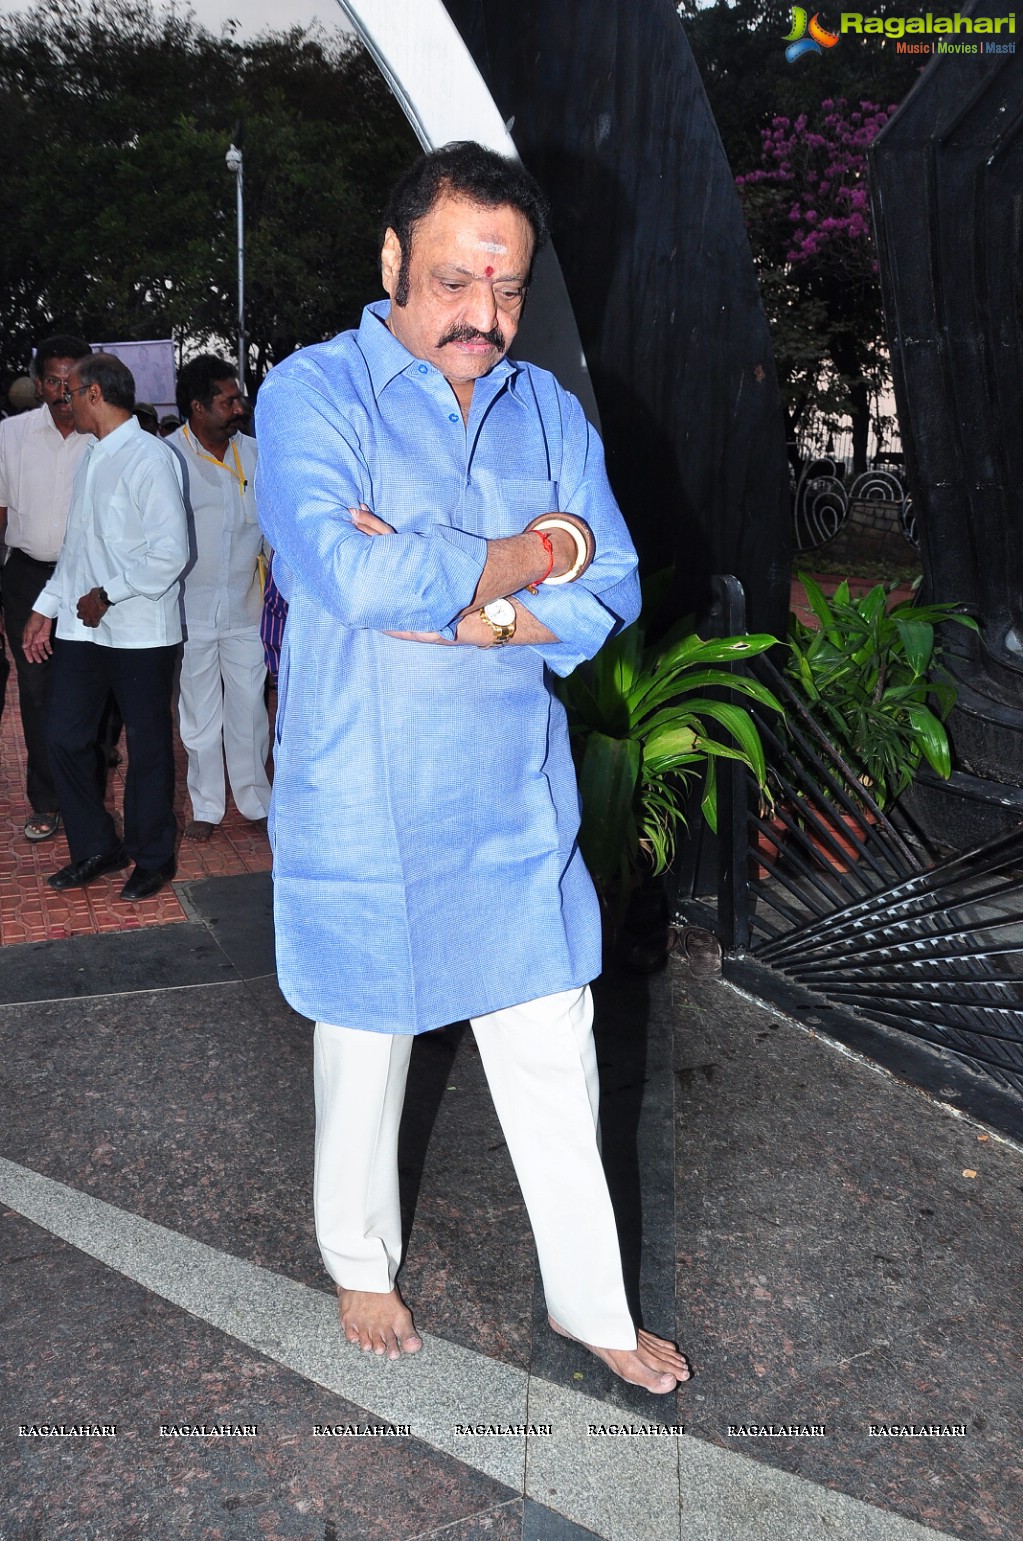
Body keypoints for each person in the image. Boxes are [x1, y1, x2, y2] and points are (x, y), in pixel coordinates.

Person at [255, 142, 690, 1393]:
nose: (483, 318)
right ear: (394, 260)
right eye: (454, 284)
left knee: (560, 1052)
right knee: (365, 1051)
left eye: (506, 291)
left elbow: (609, 588)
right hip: (368, 791)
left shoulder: (548, 407)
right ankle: (359, 1258)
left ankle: (591, 1303)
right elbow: (343, 571)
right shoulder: (313, 394)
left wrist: (468, 604)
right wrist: (526, 547)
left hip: (511, 799)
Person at [22, 353, 188, 902]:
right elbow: (77, 549)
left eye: (69, 392)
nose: (63, 401)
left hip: (141, 630)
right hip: (85, 630)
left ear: (94, 393)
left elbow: (171, 553)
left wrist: (109, 593)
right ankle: (98, 846)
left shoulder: (150, 457)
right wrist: (45, 606)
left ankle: (153, 856)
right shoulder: (91, 456)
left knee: (146, 746)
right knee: (64, 736)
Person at [167, 355, 270, 842]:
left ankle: (254, 799)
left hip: (247, 608)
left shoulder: (257, 453)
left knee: (250, 707)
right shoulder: (168, 458)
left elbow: (272, 529)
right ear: (196, 407)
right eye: (226, 400)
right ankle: (205, 807)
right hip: (188, 611)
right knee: (199, 713)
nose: (238, 407)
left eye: (238, 398)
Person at [0, 334, 94, 842]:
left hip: (89, 579)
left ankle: (89, 800)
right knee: (37, 694)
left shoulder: (103, 434)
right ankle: (47, 800)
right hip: (28, 576)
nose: (64, 391)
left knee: (92, 690)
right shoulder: (9, 436)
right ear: (39, 385)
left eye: (72, 380)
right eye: (54, 381)